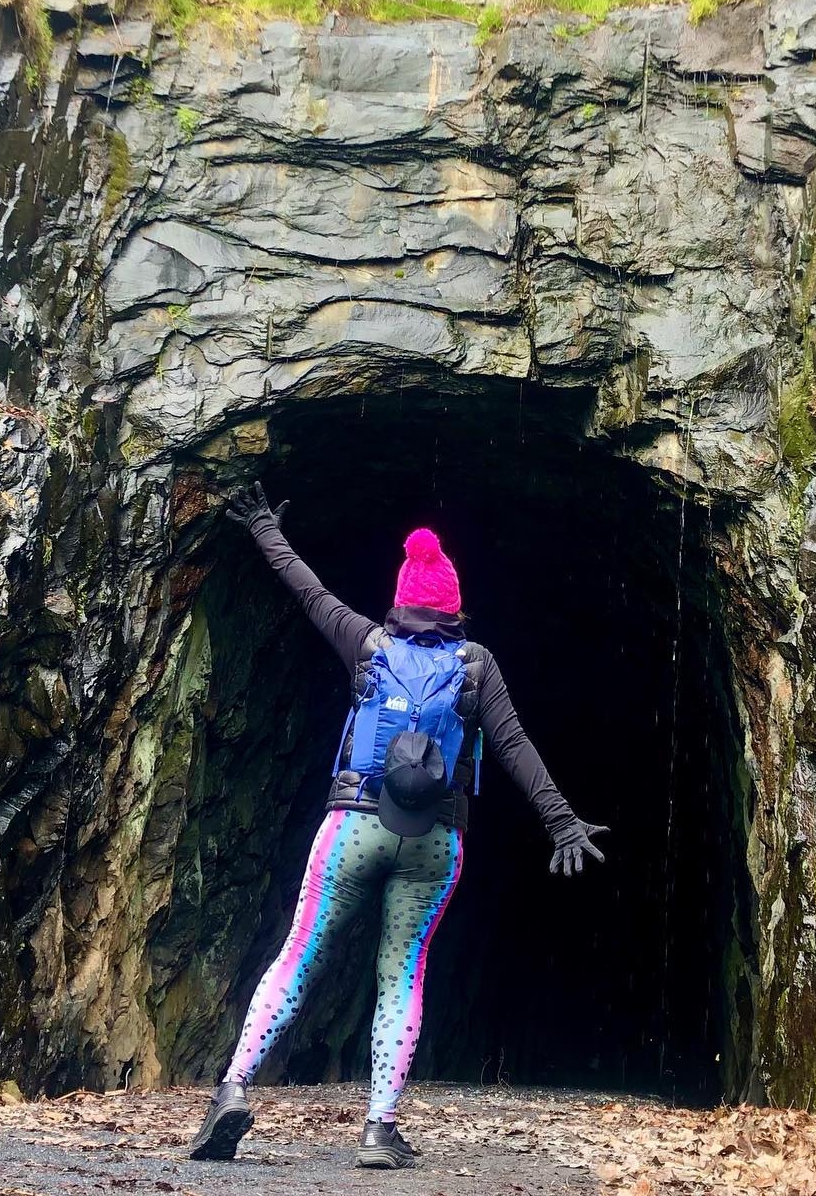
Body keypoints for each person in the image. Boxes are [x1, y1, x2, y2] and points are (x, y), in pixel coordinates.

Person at [188, 483, 609, 1170]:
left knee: (299, 955)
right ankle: (379, 1128)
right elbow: (512, 744)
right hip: (435, 841)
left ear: (402, 598)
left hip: (354, 823)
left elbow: (306, 587)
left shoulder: (368, 643)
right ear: (453, 606)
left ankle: (232, 1090)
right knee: (402, 975)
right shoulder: (477, 666)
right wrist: (562, 823)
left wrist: (264, 525)